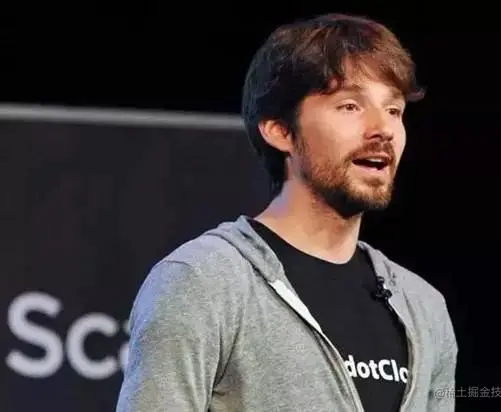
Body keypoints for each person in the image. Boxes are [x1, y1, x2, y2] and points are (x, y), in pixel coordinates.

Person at [116, 12, 458, 412]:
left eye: (394, 110)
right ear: (279, 130)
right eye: (350, 106)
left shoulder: (424, 307)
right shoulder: (203, 281)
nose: (382, 129)